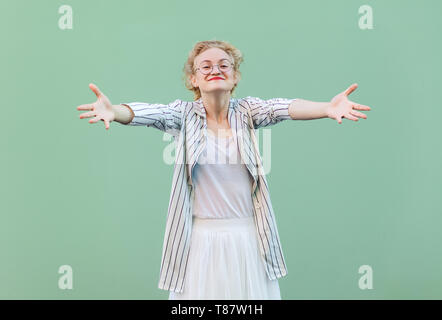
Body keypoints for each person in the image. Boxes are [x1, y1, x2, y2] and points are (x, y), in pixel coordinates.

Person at [76, 40, 371, 300]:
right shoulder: (184, 114)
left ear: (235, 76)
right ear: (193, 79)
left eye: (223, 65)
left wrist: (327, 108)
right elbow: (149, 113)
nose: (215, 70)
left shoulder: (247, 112)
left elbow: (283, 107)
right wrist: (114, 112)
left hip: (248, 240)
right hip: (200, 242)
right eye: (205, 66)